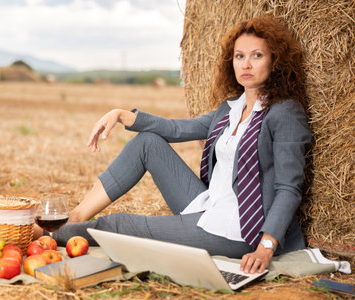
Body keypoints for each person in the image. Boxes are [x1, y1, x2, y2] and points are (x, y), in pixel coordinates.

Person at [37, 16, 312, 274]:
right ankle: (76, 215)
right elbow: (177, 128)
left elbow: (288, 188)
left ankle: (47, 233)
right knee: (147, 142)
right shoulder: (229, 109)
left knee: (118, 224)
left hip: (242, 228)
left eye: (257, 55)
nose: (246, 64)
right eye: (240, 56)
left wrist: (266, 247)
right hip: (210, 206)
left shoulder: (284, 113)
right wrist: (122, 115)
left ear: (275, 61)